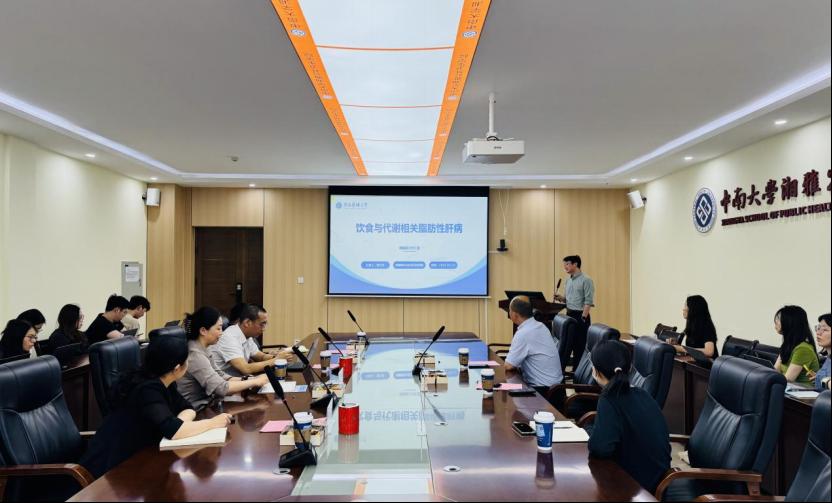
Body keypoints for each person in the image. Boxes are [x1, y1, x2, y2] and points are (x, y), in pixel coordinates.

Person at [79, 335, 232, 478]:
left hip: (140, 457)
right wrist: (213, 423)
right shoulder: (147, 389)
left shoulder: (164, 380)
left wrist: (181, 424)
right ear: (177, 368)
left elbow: (187, 408)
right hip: (112, 468)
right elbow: (174, 430)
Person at [587, 339, 671, 494]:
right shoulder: (643, 394)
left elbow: (600, 448)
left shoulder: (609, 398)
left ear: (596, 371)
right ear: (630, 368)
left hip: (636, 485)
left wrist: (591, 434)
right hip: (659, 477)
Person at [179, 306, 269, 410]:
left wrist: (248, 379)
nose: (221, 333)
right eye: (218, 328)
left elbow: (220, 375)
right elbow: (221, 388)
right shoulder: (195, 354)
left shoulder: (204, 348)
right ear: (203, 330)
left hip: (211, 404)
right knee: (254, 405)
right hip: (197, 410)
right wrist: (254, 382)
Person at [504, 296, 563, 394]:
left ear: (514, 314)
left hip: (545, 392)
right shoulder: (540, 326)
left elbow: (509, 366)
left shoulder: (524, 333)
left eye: (509, 310)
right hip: (557, 389)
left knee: (505, 397)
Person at [210, 304, 289, 377]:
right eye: (262, 324)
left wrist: (276, 356)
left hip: (238, 380)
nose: (264, 329)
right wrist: (276, 360)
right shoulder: (229, 338)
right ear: (247, 323)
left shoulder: (247, 336)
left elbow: (261, 356)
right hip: (222, 383)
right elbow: (245, 369)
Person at [554, 255, 595, 367]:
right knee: (568, 345)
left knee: (579, 346)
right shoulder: (568, 280)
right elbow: (567, 299)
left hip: (581, 316)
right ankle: (567, 370)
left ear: (575, 264)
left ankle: (578, 373)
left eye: (567, 264)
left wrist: (583, 318)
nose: (565, 267)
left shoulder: (586, 280)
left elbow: (588, 301)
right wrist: (560, 298)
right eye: (564, 265)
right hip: (569, 315)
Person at [773, 305, 819, 385]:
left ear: (790, 322)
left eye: (779, 319)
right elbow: (775, 371)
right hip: (789, 389)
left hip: (802, 391)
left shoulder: (803, 349)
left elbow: (788, 380)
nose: (775, 322)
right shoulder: (788, 345)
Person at [811, 313, 831, 391]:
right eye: (818, 328)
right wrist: (818, 377)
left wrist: (825, 381)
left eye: (825, 330)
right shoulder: (828, 358)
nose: (818, 333)